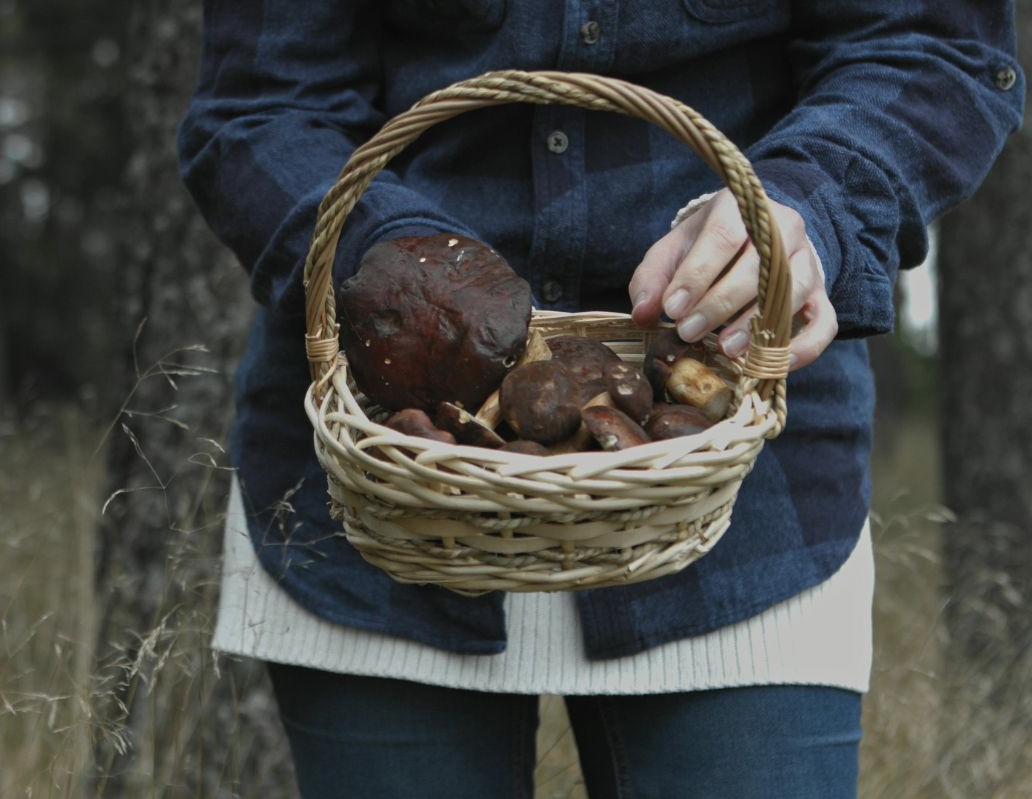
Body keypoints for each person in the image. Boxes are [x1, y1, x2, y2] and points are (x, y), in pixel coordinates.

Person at [177, 2, 1023, 797]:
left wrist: (812, 205)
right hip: (382, 486)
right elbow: (259, 106)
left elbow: (931, 43)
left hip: (747, 498)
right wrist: (405, 272)